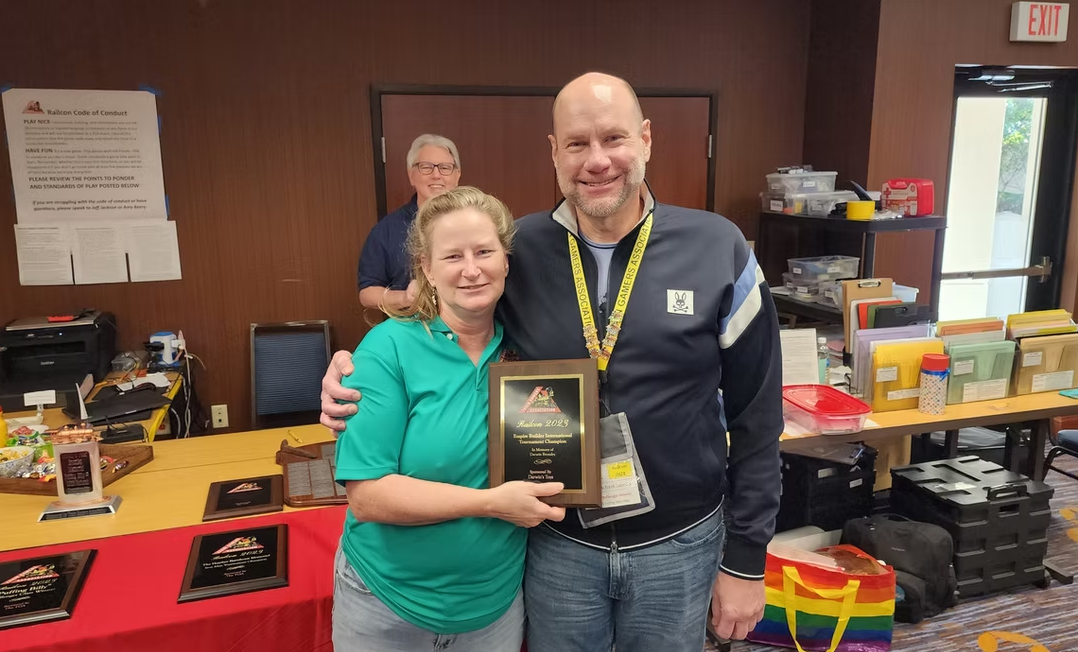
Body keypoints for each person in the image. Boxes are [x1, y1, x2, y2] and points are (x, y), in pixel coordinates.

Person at [324, 72, 783, 652]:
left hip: (679, 545)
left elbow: (757, 416)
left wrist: (746, 559)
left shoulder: (718, 247)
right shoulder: (522, 250)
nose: (597, 161)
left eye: (613, 138)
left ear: (645, 138)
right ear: (554, 151)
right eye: (576, 143)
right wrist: (352, 370)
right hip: (557, 545)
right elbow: (449, 320)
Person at [331, 185, 566, 652]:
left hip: (493, 608)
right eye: (453, 256)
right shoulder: (388, 349)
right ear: (427, 269)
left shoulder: (532, 353)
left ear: (506, 261)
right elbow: (368, 497)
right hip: (387, 604)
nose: (472, 269)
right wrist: (491, 503)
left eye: (484, 252)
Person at [357, 134, 462, 313]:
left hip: (473, 325)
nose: (436, 175)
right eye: (426, 167)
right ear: (411, 175)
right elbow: (367, 293)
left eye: (445, 168)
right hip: (412, 324)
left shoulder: (478, 223)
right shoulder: (386, 230)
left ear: (457, 175)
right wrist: (405, 298)